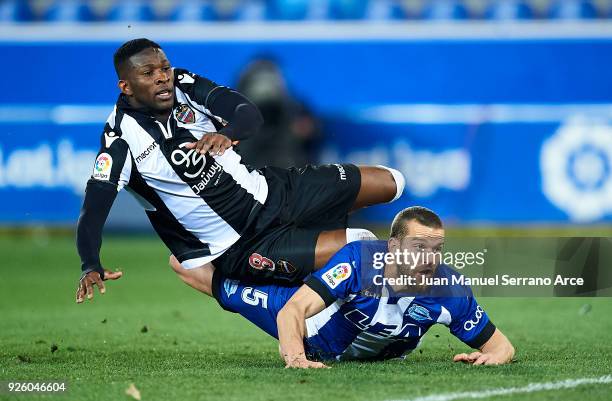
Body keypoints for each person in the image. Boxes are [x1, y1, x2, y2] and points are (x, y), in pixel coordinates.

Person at [76, 38, 405, 303]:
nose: (162, 77)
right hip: (244, 245)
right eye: (148, 73)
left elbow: (248, 113)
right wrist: (90, 263)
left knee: (392, 182)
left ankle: (320, 244)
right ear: (126, 87)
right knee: (365, 247)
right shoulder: (120, 140)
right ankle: (389, 312)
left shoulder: (185, 86)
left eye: (164, 67)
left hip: (276, 190)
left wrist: (227, 133)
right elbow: (94, 207)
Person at [166, 206, 515, 368]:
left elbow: (502, 346)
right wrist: (296, 359)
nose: (429, 259)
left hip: (367, 343)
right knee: (187, 267)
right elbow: (293, 312)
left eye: (437, 249)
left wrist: (491, 357)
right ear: (393, 247)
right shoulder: (361, 261)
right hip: (312, 334)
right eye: (419, 248)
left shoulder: (450, 289)